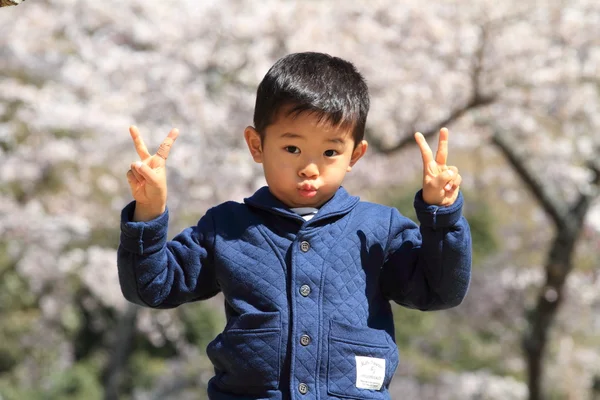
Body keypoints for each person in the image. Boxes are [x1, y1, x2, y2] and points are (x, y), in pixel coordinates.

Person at [117, 52, 471, 400]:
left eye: (330, 152)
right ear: (257, 145)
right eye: (291, 148)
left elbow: (439, 290)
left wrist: (441, 214)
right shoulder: (226, 226)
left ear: (356, 155)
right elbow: (152, 288)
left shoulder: (379, 228)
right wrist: (149, 210)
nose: (310, 169)